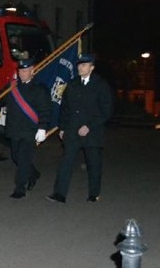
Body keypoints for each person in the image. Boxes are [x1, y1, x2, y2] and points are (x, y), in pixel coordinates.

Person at [47, 54, 114, 204]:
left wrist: (90, 126)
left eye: (84, 65)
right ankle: (59, 194)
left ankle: (94, 194)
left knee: (93, 164)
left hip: (92, 131)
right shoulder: (72, 84)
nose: (80, 67)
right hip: (72, 130)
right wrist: (62, 127)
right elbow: (65, 108)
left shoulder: (101, 84)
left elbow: (106, 110)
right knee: (66, 162)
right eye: (79, 65)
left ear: (92, 67)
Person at [2, 58, 51, 199]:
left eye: (25, 71)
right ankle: (33, 173)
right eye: (20, 71)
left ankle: (20, 188)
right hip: (14, 129)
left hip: (30, 130)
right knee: (16, 156)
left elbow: (45, 110)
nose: (22, 73)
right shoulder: (12, 87)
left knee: (23, 158)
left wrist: (42, 128)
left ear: (32, 71)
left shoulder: (39, 89)